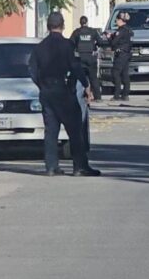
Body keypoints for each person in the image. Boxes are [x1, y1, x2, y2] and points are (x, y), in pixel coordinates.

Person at [28, 12, 100, 176]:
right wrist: (86, 85)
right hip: (64, 91)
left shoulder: (39, 48)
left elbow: (31, 69)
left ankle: (52, 167)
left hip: (46, 93)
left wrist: (42, 85)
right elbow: (75, 67)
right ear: (63, 25)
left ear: (47, 26)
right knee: (75, 130)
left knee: (51, 131)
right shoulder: (68, 46)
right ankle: (79, 167)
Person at [70, 16, 103, 101]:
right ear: (87, 22)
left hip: (80, 57)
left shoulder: (77, 32)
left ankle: (76, 94)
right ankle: (98, 97)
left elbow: (71, 43)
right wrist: (95, 46)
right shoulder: (93, 31)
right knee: (93, 78)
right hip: (90, 57)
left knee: (78, 77)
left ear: (80, 23)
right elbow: (100, 42)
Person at [108, 12, 133, 101]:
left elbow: (113, 42)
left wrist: (109, 37)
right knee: (125, 74)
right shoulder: (129, 30)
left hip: (121, 54)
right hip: (127, 54)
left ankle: (117, 95)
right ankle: (125, 94)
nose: (116, 22)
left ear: (120, 20)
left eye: (117, 20)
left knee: (116, 73)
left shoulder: (121, 30)